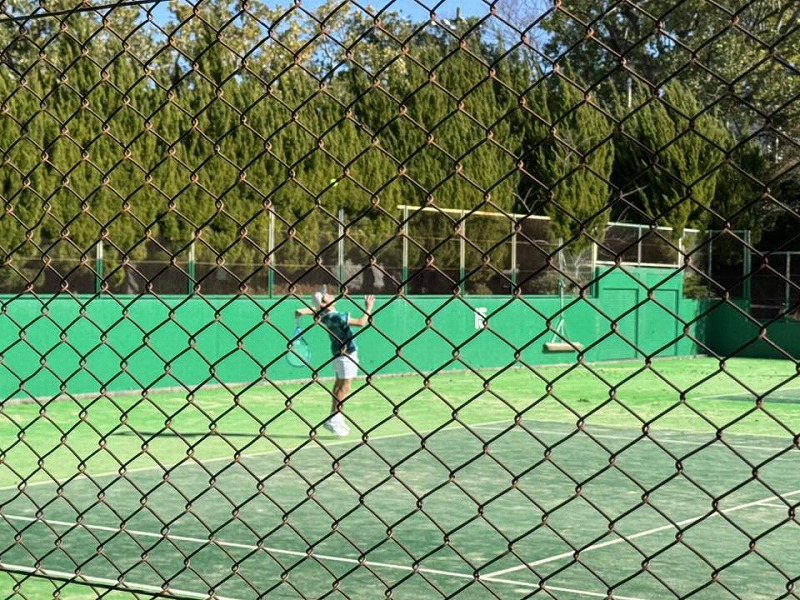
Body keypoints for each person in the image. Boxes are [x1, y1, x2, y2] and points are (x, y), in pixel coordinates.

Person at [295, 291, 375, 436]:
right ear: (324, 304)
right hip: (347, 354)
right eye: (327, 297)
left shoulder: (323, 316)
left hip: (337, 354)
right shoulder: (338, 317)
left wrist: (302, 311)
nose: (331, 295)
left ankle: (335, 415)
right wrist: (368, 307)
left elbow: (315, 309)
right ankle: (335, 417)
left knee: (338, 385)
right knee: (344, 387)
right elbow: (361, 322)